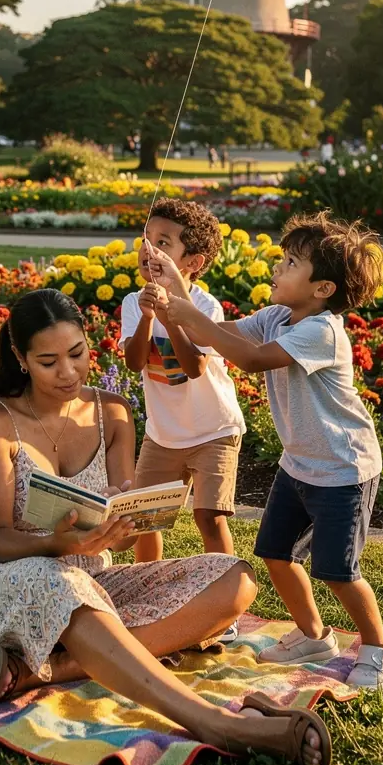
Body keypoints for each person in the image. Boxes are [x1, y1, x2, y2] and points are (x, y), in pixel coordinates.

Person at [0, 289, 331, 765]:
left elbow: (130, 520)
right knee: (61, 582)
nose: (69, 372)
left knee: (235, 578)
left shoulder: (111, 413)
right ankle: (214, 722)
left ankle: (52, 668)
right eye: (49, 361)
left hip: (84, 579)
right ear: (20, 359)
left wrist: (127, 523)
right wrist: (61, 541)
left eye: (77, 354)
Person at [153, 211, 383, 690]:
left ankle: (378, 646)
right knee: (275, 552)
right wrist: (178, 298)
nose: (277, 267)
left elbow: (249, 360)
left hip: (342, 470)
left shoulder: (321, 331)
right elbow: (228, 335)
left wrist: (185, 314)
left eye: (290, 263)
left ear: (322, 289)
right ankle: (314, 634)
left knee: (337, 570)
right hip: (299, 465)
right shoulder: (277, 317)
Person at [120, 201, 245, 600]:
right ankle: (148, 592)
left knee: (209, 517)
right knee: (145, 519)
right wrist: (145, 317)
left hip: (214, 430)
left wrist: (171, 316)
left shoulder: (205, 308)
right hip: (163, 435)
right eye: (146, 239)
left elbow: (193, 366)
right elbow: (134, 361)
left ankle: (225, 601)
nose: (149, 250)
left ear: (191, 261)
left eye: (163, 243)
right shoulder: (132, 303)